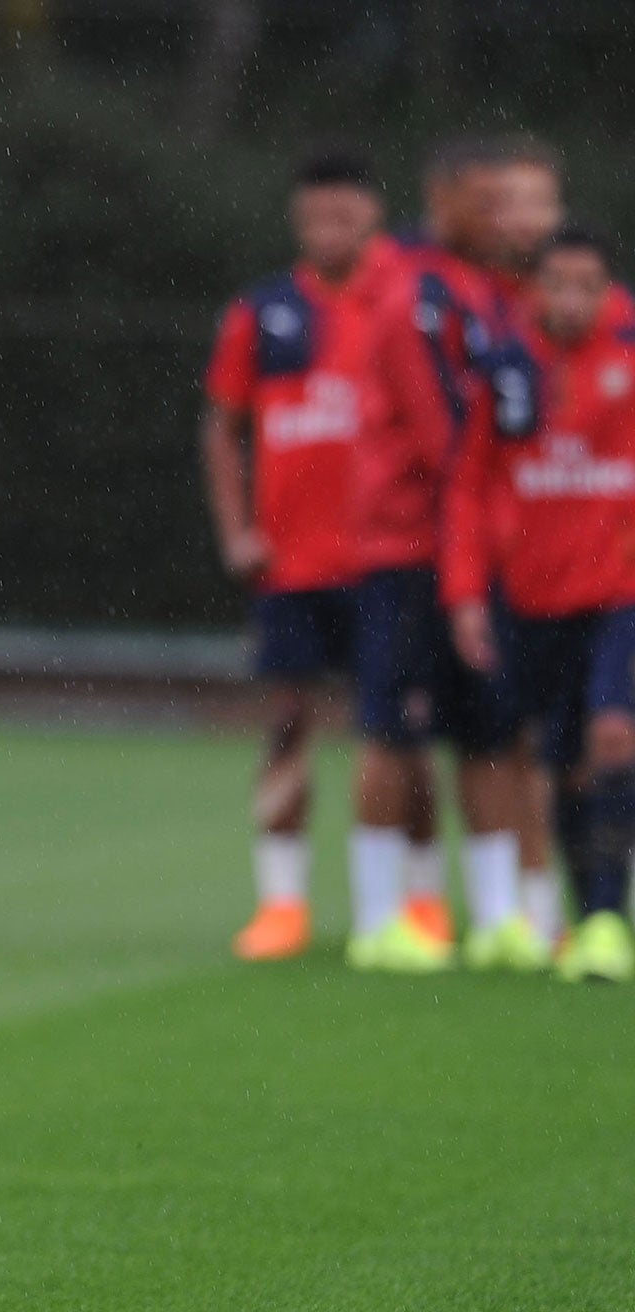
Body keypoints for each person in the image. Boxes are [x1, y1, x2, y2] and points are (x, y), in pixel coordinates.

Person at [345, 139, 545, 974]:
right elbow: (447, 440)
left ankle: (498, 917)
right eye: (486, 201)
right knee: (396, 733)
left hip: (474, 551)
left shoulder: (488, 293)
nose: (504, 218)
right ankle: (376, 917)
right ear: (445, 200)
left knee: (491, 733)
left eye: (511, 201)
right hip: (409, 550)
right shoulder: (415, 296)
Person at [205, 151, 398, 960]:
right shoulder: (266, 311)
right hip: (290, 565)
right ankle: (282, 905)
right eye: (316, 218)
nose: (329, 232)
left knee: (393, 732)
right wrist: (236, 529)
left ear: (372, 217)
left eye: (344, 218)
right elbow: (222, 422)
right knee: (288, 721)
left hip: (386, 560)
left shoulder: (403, 306)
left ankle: (396, 907)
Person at [445, 227, 635, 981]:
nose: (571, 300)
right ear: (537, 289)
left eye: (587, 285)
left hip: (620, 592)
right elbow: (467, 486)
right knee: (559, 763)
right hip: (533, 596)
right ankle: (577, 911)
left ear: (606, 290)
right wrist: (465, 594)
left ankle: (606, 922)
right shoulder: (504, 370)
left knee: (615, 734)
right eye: (558, 283)